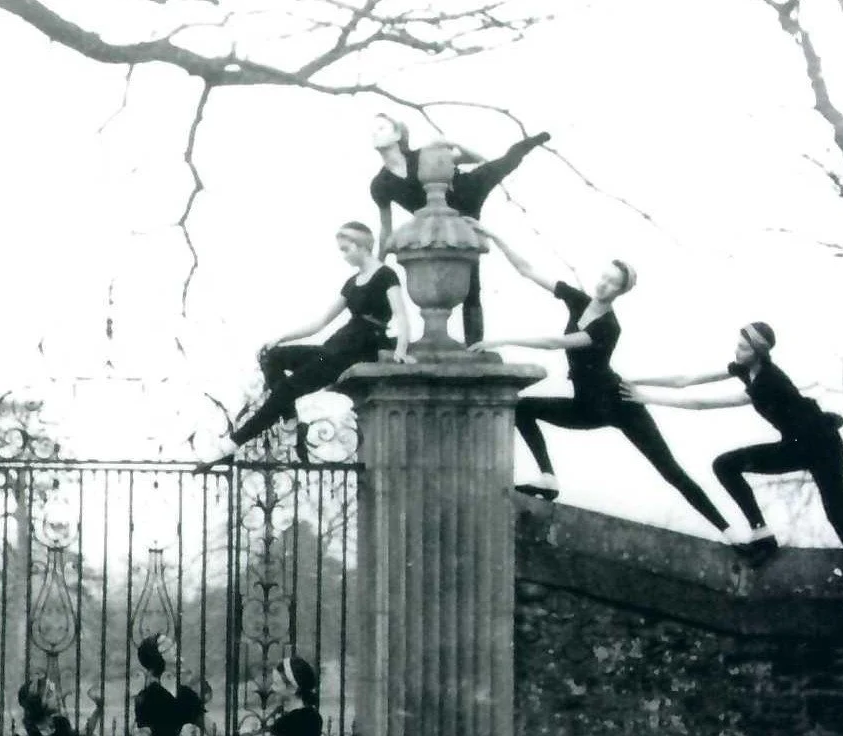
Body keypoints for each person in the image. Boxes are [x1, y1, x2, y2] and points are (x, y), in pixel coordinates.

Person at [467, 223, 745, 550]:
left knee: (669, 469)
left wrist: (501, 339)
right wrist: (494, 234)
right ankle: (548, 478)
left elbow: (556, 342)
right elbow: (528, 270)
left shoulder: (609, 327)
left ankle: (732, 535)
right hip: (586, 406)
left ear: (621, 292)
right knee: (523, 408)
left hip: (619, 403)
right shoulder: (578, 301)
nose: (604, 285)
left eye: (613, 284)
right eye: (604, 278)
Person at [621, 321, 843, 620]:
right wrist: (634, 381)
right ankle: (762, 532)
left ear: (759, 353)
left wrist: (646, 399)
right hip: (794, 444)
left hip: (822, 446)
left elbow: (701, 404)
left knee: (840, 518)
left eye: (744, 348)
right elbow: (687, 380)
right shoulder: (743, 368)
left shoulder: (767, 382)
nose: (737, 351)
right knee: (725, 465)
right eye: (738, 344)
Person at [194, 222, 414, 470]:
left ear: (362, 246)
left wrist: (401, 352)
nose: (343, 255)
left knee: (287, 388)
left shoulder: (386, 275)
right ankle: (287, 415)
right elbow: (320, 322)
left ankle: (232, 445)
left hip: (361, 347)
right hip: (337, 345)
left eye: (346, 249)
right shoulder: (352, 282)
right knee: (273, 356)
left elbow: (402, 316)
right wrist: (281, 338)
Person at [369, 113, 550, 345]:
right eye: (373, 130)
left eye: (382, 128)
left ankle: (538, 138)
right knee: (471, 281)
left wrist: (452, 144)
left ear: (398, 135)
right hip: (449, 218)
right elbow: (386, 228)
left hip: (468, 189)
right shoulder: (380, 184)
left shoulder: (424, 155)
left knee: (509, 159)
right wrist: (379, 264)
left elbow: (478, 159)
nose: (375, 133)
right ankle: (475, 345)